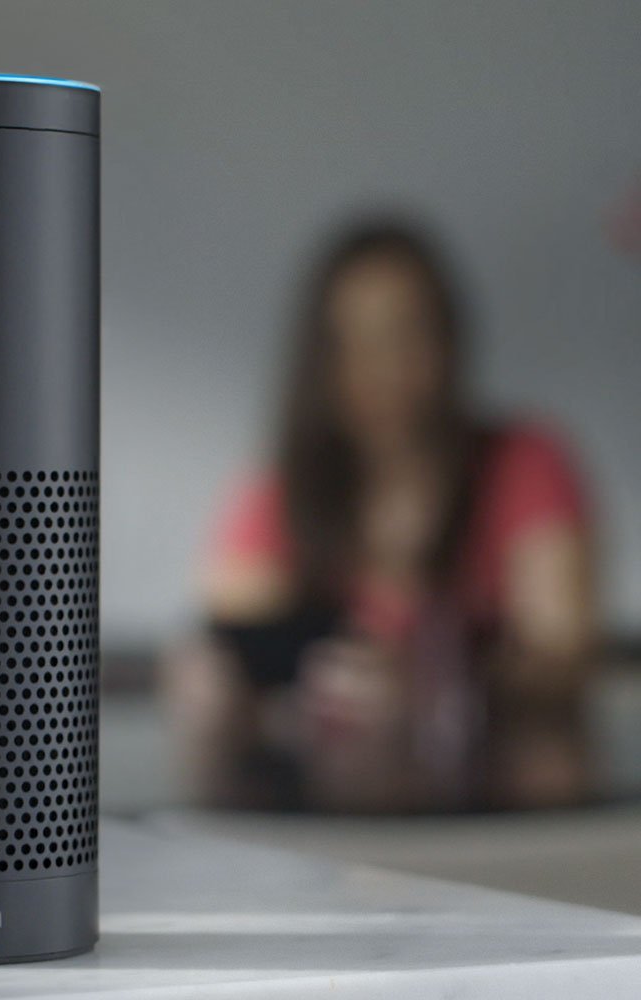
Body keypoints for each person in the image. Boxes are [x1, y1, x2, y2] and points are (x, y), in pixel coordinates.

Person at [161, 220, 597, 813]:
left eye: (405, 333)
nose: (382, 367)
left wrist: (443, 687)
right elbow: (236, 640)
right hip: (322, 820)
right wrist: (219, 693)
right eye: (353, 342)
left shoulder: (526, 462)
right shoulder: (279, 494)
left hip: (498, 812)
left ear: (449, 338)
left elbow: (561, 656)